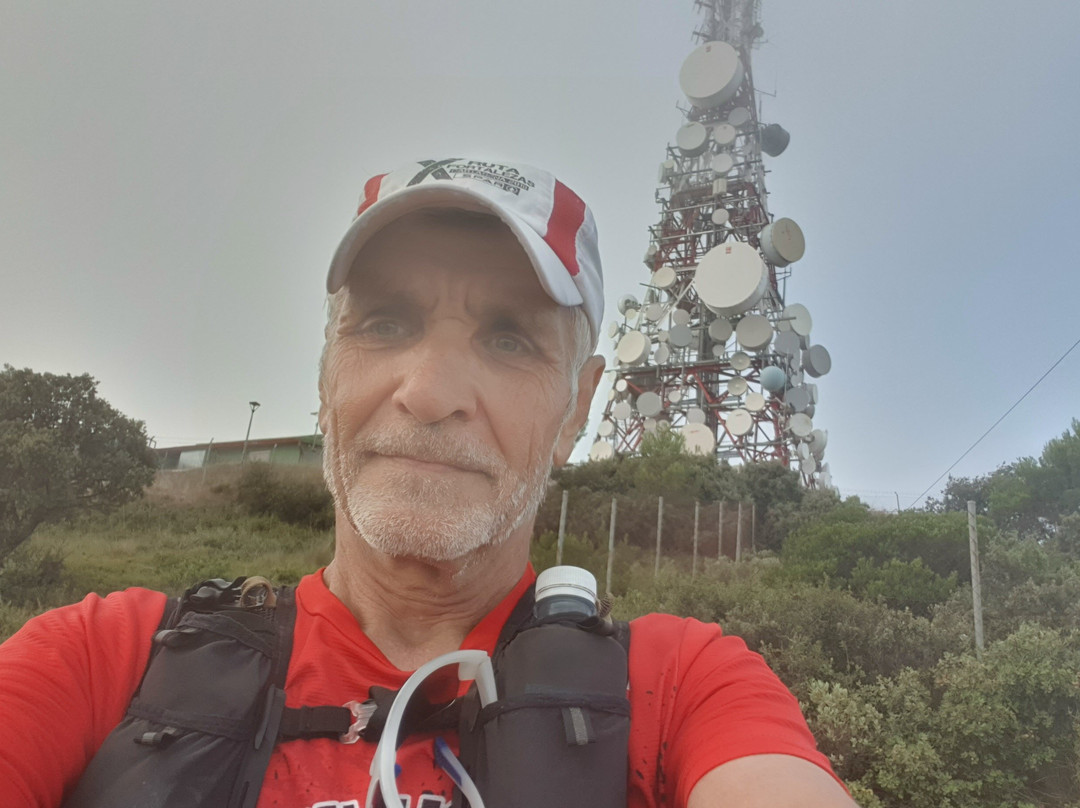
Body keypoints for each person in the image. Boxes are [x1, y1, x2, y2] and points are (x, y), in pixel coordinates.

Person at [0, 158, 857, 808]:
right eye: (385, 322)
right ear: (326, 373)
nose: (430, 392)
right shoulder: (101, 659)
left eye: (511, 338)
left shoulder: (678, 686)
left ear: (577, 409)